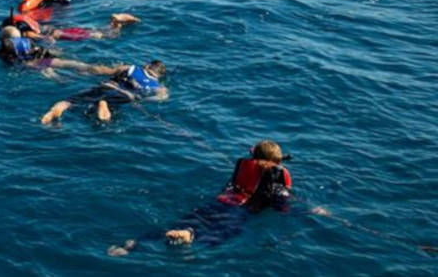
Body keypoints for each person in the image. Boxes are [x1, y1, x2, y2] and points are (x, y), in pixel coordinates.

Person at [108, 140, 294, 256]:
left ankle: (133, 244)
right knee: (220, 233)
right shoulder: (275, 175)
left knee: (189, 220)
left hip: (221, 201)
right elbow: (281, 202)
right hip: (240, 210)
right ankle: (190, 235)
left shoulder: (244, 165)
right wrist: (305, 209)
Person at [0, 26, 117, 76]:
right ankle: (108, 70)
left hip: (33, 64)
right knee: (79, 65)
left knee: (51, 75)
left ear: (4, 40)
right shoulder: (29, 42)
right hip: (44, 55)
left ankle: (58, 78)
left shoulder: (1, 51)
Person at [39, 60, 168, 124]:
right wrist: (141, 99)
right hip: (126, 95)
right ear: (158, 75)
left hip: (106, 86)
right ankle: (104, 106)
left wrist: (87, 70)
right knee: (106, 111)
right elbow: (160, 98)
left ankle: (53, 112)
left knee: (69, 101)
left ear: (147, 65)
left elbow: (105, 71)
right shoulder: (159, 86)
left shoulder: (131, 68)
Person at [2, 12, 140, 42]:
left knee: (105, 35)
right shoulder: (24, 20)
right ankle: (115, 22)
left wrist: (51, 45)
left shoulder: (24, 33)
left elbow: (44, 38)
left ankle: (117, 23)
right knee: (99, 31)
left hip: (63, 35)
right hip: (63, 29)